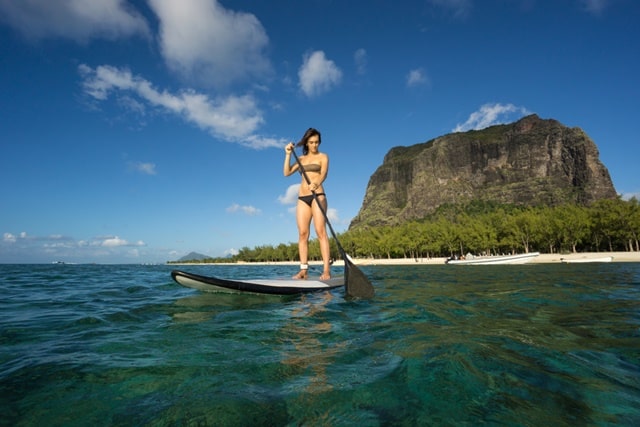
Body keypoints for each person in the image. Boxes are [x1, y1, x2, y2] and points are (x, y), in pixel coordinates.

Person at [283, 128, 331, 280]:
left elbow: (323, 173)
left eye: (317, 142)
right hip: (302, 198)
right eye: (311, 142)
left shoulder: (323, 157)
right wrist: (288, 154)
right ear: (306, 143)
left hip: (318, 195)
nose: (314, 145)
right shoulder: (301, 159)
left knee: (320, 232)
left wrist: (316, 183)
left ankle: (326, 271)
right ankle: (303, 270)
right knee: (303, 234)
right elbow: (286, 172)